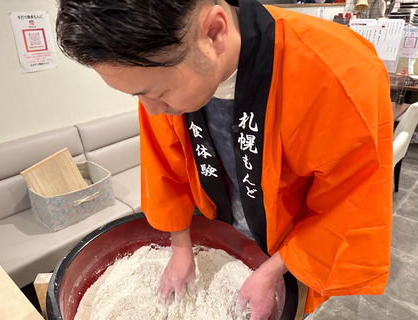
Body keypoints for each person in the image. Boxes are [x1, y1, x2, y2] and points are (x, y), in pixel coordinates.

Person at [56, 0, 393, 318]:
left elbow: (348, 202)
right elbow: (165, 169)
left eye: (158, 93)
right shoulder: (159, 78)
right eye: (138, 96)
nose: (151, 110)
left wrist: (272, 272)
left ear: (215, 33)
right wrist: (181, 247)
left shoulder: (338, 71)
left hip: (292, 247)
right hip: (219, 222)